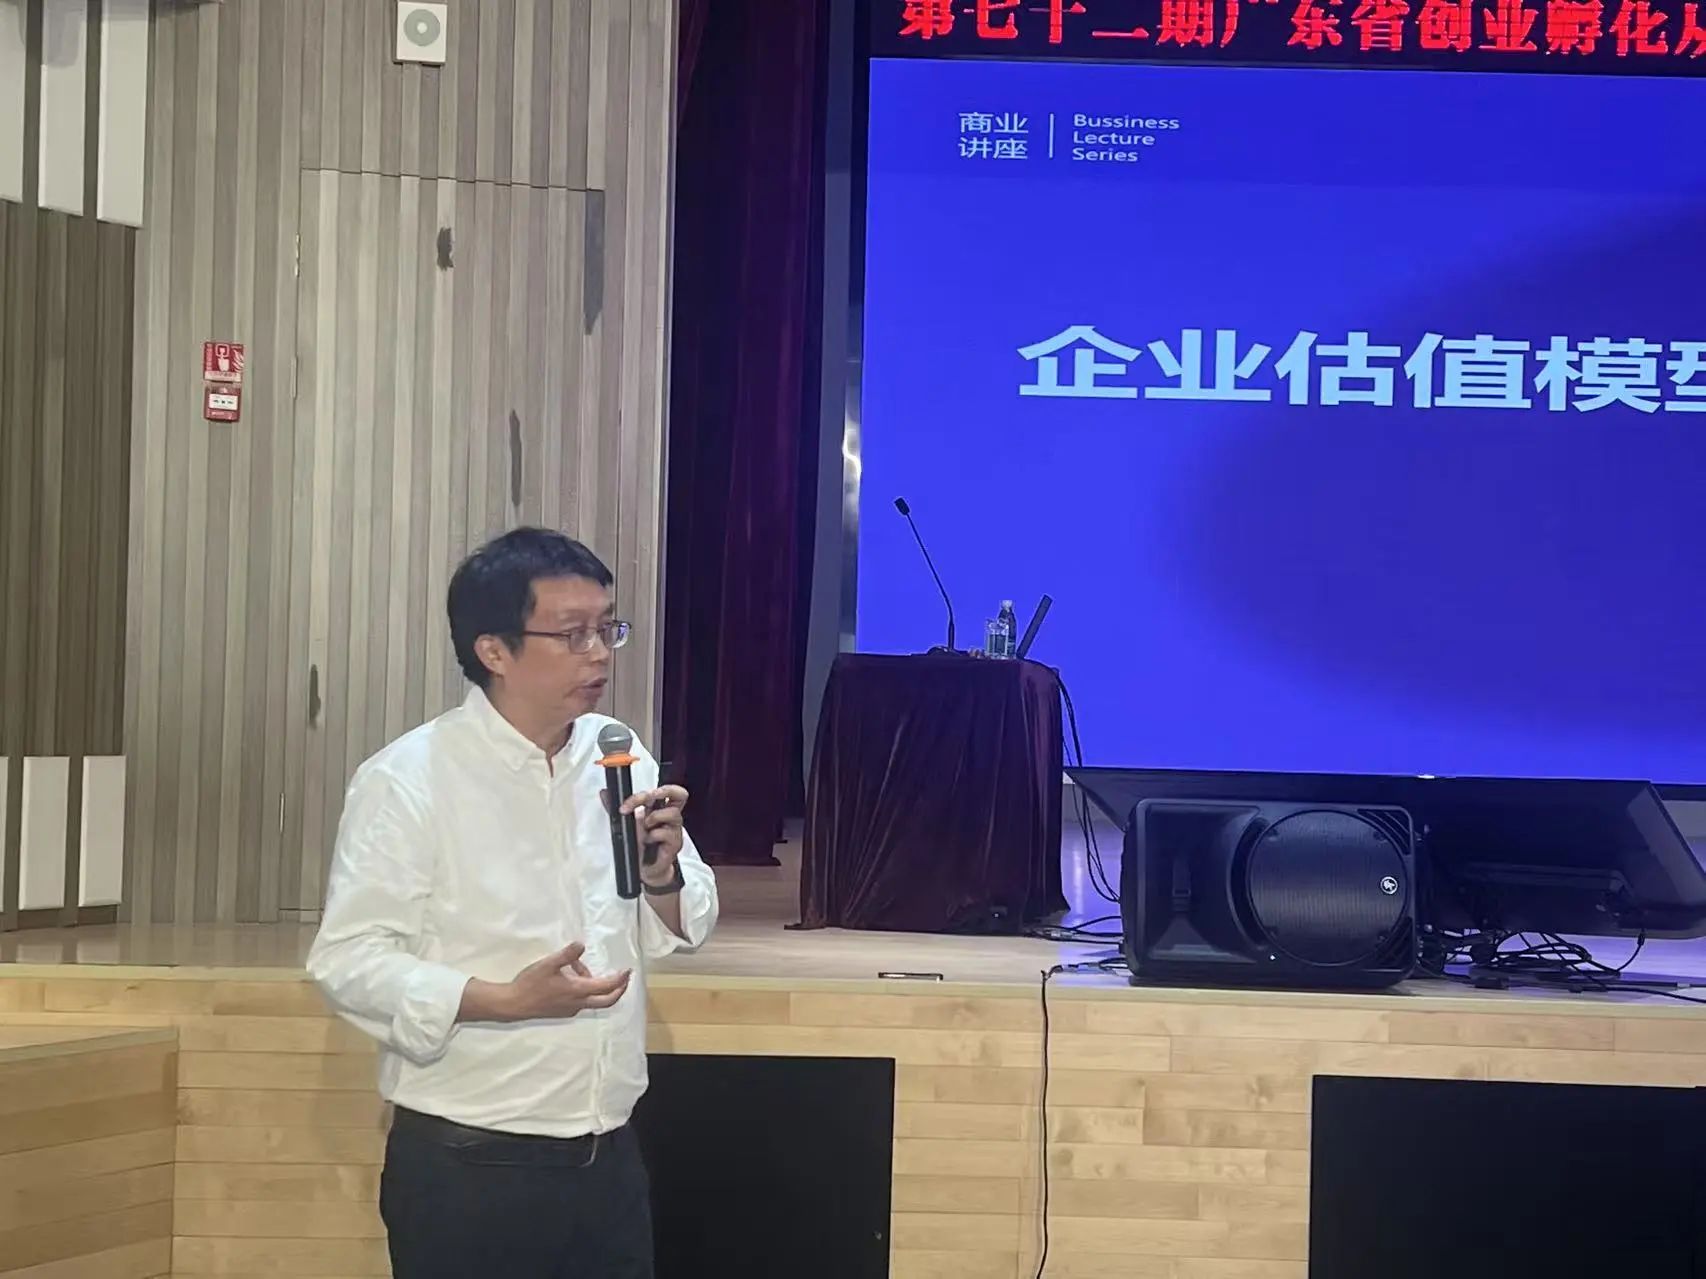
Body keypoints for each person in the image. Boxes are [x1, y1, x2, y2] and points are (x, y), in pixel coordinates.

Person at [307, 527, 718, 1279]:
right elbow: (347, 961)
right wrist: (503, 1000)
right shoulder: (409, 780)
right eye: (572, 633)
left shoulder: (618, 752)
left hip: (609, 1159)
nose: (599, 653)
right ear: (493, 650)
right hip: (471, 1170)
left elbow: (686, 924)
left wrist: (663, 876)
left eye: (608, 628)